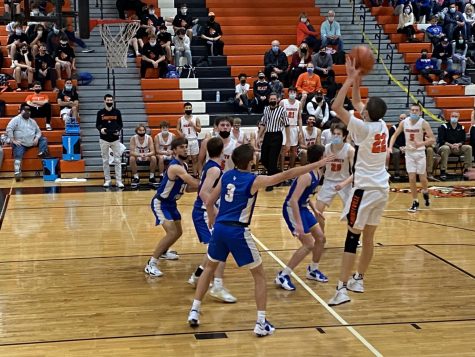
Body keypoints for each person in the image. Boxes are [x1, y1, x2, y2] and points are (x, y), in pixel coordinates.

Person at [187, 144, 332, 336]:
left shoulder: (226, 175)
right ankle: (261, 322)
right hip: (238, 231)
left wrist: (213, 219)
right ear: (251, 162)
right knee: (259, 276)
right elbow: (286, 175)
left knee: (209, 269)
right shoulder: (253, 180)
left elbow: (209, 200)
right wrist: (319, 163)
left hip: (220, 229)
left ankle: (195, 310)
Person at [327, 58, 390, 306]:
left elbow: (336, 106)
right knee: (369, 237)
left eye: (364, 108)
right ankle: (358, 280)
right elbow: (355, 103)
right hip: (382, 188)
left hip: (364, 190)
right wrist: (357, 81)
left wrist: (350, 79)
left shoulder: (363, 129)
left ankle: (341, 289)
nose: (360, 108)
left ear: (366, 114)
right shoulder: (382, 125)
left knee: (352, 238)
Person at [189, 137, 237, 303]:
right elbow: (203, 192)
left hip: (204, 210)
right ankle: (217, 285)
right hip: (203, 212)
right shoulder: (215, 169)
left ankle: (197, 276)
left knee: (215, 249)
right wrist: (213, 212)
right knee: (220, 249)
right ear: (222, 150)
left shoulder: (212, 166)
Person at [276, 144, 329, 291]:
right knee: (308, 244)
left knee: (320, 238)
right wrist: (298, 225)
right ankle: (283, 274)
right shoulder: (306, 175)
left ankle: (313, 269)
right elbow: (293, 200)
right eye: (325, 155)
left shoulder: (318, 172)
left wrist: (315, 210)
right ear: (320, 158)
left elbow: (307, 195)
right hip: (292, 209)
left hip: (304, 208)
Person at [145, 137, 200, 276]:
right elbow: (193, 182)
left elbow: (187, 188)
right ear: (174, 150)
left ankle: (163, 252)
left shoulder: (184, 166)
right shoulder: (175, 167)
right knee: (172, 232)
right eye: (181, 147)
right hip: (161, 203)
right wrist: (211, 183)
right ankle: (151, 263)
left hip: (171, 204)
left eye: (186, 146)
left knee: (178, 232)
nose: (185, 149)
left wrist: (204, 189)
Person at [389, 104, 435, 212]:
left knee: (423, 178)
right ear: (410, 111)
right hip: (409, 153)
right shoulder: (404, 122)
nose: (414, 112)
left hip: (419, 153)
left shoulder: (424, 123)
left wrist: (421, 143)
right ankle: (415, 201)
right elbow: (394, 135)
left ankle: (425, 191)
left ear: (420, 112)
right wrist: (390, 147)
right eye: (412, 110)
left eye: (416, 110)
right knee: (412, 178)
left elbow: (432, 139)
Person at [315, 122, 354, 232]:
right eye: (334, 134)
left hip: (344, 183)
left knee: (351, 213)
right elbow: (321, 168)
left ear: (344, 136)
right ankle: (320, 236)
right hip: (328, 182)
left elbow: (356, 172)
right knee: (317, 212)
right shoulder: (326, 149)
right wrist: (316, 182)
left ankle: (354, 238)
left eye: (338, 134)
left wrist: (343, 184)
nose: (335, 136)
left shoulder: (350, 150)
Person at [6, 103, 49, 181]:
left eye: (29, 112)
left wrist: (36, 138)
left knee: (44, 139)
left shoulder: (32, 121)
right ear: (22, 111)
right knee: (18, 154)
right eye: (26, 111)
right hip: (21, 143)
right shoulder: (16, 119)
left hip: (32, 141)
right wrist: (12, 140)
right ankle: (17, 172)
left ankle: (42, 152)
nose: (28, 113)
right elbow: (9, 129)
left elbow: (39, 132)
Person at [259, 93, 290, 191]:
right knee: (264, 159)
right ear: (269, 100)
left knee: (272, 160)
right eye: (271, 98)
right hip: (267, 135)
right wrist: (258, 136)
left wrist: (288, 141)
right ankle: (279, 176)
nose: (272, 100)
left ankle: (270, 183)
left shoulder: (282, 110)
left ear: (277, 100)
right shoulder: (266, 109)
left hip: (277, 136)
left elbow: (287, 125)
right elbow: (263, 123)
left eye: (274, 98)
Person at [96, 94, 124, 188]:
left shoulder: (117, 112)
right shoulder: (100, 112)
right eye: (107, 100)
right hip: (104, 139)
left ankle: (118, 181)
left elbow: (120, 124)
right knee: (105, 160)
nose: (109, 102)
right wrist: (101, 129)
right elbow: (97, 124)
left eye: (110, 100)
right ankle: (107, 180)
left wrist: (118, 131)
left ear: (113, 101)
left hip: (115, 139)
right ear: (104, 101)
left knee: (117, 160)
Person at [437, 111, 473, 180]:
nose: (454, 118)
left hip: (457, 147)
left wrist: (458, 144)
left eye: (456, 117)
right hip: (446, 147)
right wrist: (451, 145)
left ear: (458, 118)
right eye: (452, 116)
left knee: (468, 147)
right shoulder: (443, 126)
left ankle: (467, 170)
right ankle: (443, 171)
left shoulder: (461, 127)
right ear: (450, 117)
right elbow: (441, 140)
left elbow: (463, 140)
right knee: (445, 148)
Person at [280, 87, 303, 170]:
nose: (292, 93)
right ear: (288, 93)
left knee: (293, 150)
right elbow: (278, 116)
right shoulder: (283, 102)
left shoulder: (299, 103)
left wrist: (300, 130)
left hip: (294, 127)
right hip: (284, 127)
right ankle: (282, 170)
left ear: (296, 94)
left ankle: (291, 169)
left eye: (294, 92)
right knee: (283, 150)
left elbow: (299, 118)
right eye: (291, 92)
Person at [177, 102, 201, 176]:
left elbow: (199, 130)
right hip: (185, 141)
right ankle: (185, 175)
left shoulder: (196, 118)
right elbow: (177, 129)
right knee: (185, 159)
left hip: (193, 140)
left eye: (189, 108)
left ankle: (194, 175)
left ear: (192, 109)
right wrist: (180, 134)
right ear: (184, 109)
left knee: (194, 159)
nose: (188, 109)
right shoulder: (180, 119)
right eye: (186, 108)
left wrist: (193, 125)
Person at [129, 124, 158, 188]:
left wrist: (146, 155)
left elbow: (153, 151)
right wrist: (139, 155)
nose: (142, 132)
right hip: (137, 155)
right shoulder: (133, 138)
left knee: (153, 158)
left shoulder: (149, 138)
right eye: (140, 130)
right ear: (137, 131)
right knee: (131, 158)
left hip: (146, 155)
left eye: (143, 130)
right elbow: (131, 152)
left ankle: (152, 177)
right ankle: (136, 177)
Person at [388, 113, 407, 180]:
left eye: (404, 118)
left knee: (411, 152)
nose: (403, 120)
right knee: (396, 152)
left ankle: (408, 172)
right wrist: (399, 147)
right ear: (399, 119)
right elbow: (390, 140)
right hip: (395, 146)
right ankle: (397, 172)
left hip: (406, 147)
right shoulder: (393, 128)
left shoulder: (409, 128)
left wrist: (406, 147)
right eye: (401, 118)